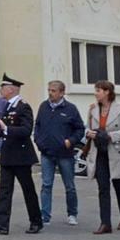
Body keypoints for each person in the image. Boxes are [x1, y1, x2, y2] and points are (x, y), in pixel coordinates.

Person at [0, 75, 44, 235]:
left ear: (11, 89)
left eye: (3, 87)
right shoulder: (8, 106)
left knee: (27, 189)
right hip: (8, 154)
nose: (1, 90)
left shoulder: (23, 106)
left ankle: (36, 221)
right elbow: (4, 129)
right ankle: (1, 223)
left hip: (21, 155)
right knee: (5, 190)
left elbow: (26, 130)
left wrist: (5, 130)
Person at [84, 79, 120, 234]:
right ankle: (105, 223)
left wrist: (110, 135)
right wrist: (89, 133)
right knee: (103, 187)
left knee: (118, 184)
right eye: (95, 90)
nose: (96, 94)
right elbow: (87, 127)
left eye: (98, 90)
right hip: (99, 151)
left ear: (107, 92)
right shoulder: (93, 109)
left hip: (116, 151)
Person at [33, 79, 86, 226]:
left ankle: (72, 213)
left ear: (62, 93)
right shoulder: (44, 106)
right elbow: (37, 125)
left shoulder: (70, 109)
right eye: (49, 90)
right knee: (46, 185)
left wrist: (70, 141)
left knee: (69, 186)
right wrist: (38, 141)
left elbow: (80, 129)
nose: (50, 93)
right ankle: (45, 215)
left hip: (65, 154)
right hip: (47, 153)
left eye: (53, 91)